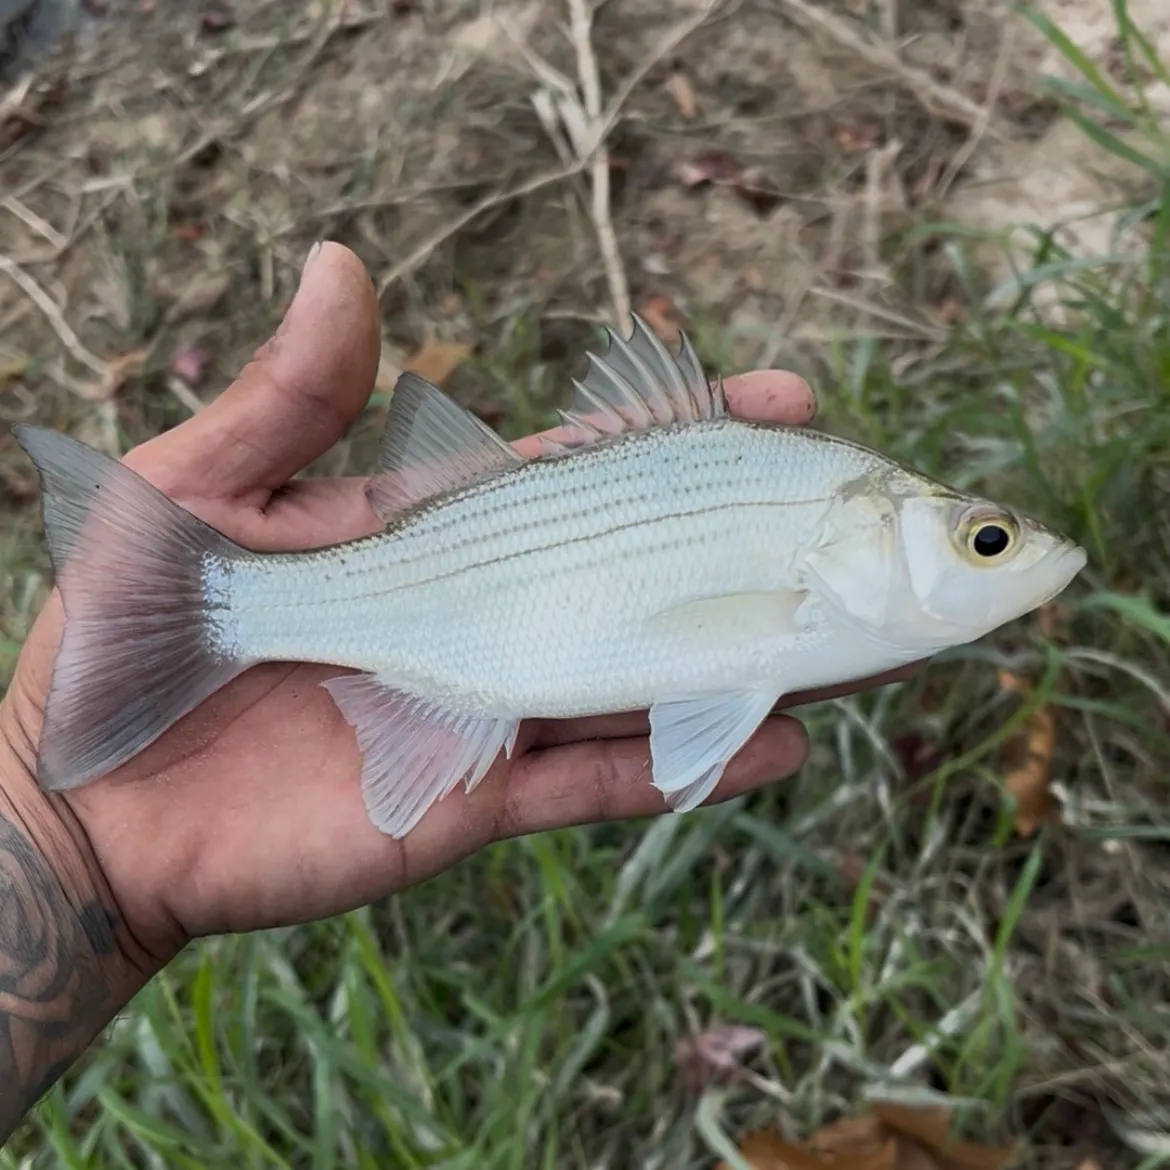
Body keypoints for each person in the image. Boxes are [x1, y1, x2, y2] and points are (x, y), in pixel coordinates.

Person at [0, 243, 920, 1140]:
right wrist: (71, 846)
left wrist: (82, 857)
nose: (1006, 557)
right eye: (983, 542)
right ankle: (214, 603)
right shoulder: (819, 512)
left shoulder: (817, 531)